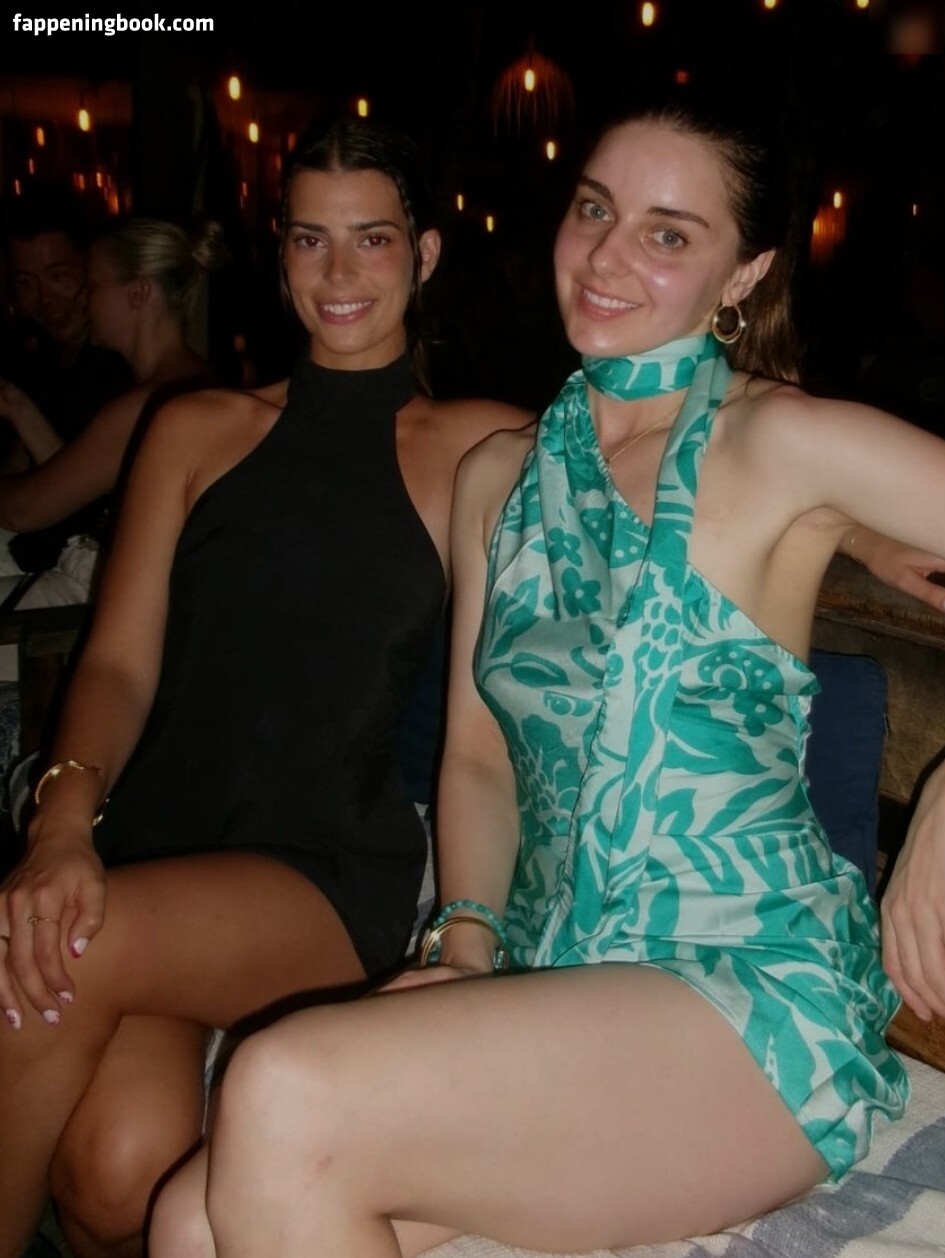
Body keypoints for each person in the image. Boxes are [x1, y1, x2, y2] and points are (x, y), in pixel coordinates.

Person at [147, 100, 945, 1258]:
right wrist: (464, 946)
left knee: (280, 1084)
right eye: (596, 210)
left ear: (744, 274)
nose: (606, 255)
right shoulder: (497, 476)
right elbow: (479, 761)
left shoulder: (780, 444)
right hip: (557, 977)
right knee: (188, 1220)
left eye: (668, 233)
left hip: (743, 994)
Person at [0, 119, 525, 1258]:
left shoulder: (478, 444)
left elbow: (673, 452)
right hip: (155, 847)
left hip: (323, 872)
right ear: (278, 252)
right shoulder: (194, 427)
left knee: (54, 948)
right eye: (309, 239)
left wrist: (857, 524)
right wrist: (62, 824)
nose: (338, 273)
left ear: (425, 253)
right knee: (115, 1174)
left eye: (372, 238)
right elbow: (119, 661)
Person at [0, 216, 226, 612]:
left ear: (138, 293)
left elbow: (26, 509)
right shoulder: (201, 383)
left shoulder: (147, 405)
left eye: (93, 285)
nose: (84, 299)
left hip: (129, 599)